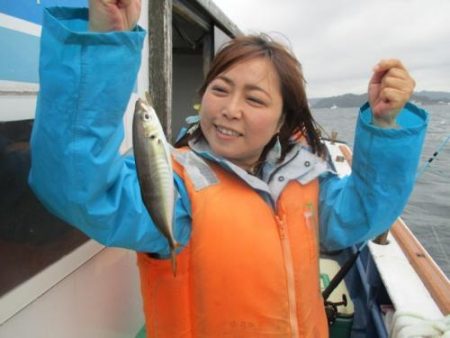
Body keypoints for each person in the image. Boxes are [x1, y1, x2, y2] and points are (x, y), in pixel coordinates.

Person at [29, 0, 428, 337]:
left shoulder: (307, 184)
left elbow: (365, 212)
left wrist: (386, 126)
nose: (230, 109)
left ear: (282, 120)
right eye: (220, 89)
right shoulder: (179, 188)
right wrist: (103, 41)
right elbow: (77, 189)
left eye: (254, 100)